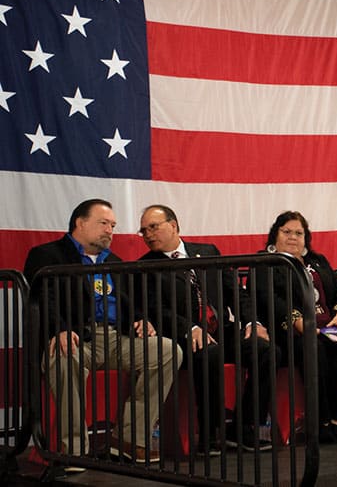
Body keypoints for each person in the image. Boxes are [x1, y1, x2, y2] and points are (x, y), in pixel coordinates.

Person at [24, 198, 181, 466]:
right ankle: (72, 448)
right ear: (80, 223)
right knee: (63, 356)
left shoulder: (116, 261)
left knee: (167, 350)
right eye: (104, 223)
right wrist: (58, 329)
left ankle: (131, 439)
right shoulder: (47, 254)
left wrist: (142, 320)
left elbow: (131, 303)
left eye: (113, 225)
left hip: (117, 338)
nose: (111, 230)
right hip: (77, 338)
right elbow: (42, 298)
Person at [137, 204, 275, 453]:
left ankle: (244, 427)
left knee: (266, 350)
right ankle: (209, 434)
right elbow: (156, 310)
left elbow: (236, 292)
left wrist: (253, 322)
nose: (147, 235)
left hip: (220, 328)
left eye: (153, 227)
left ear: (173, 225)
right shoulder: (145, 266)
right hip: (182, 336)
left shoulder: (206, 252)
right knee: (209, 354)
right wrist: (189, 328)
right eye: (143, 231)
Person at [250, 211, 337, 444]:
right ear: (274, 234)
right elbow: (271, 301)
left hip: (327, 328)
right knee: (314, 349)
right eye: (286, 232)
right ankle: (320, 422)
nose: (293, 237)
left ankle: (336, 419)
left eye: (299, 233)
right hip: (288, 333)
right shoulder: (264, 263)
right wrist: (302, 325)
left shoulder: (318, 261)